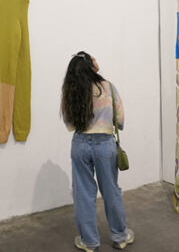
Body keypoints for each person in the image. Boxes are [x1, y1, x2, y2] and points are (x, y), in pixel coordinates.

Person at [61, 51, 134, 251]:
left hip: (80, 144)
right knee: (111, 191)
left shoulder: (72, 90)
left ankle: (90, 242)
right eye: (93, 58)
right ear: (90, 65)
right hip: (105, 145)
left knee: (83, 194)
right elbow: (119, 119)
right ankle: (120, 236)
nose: (96, 60)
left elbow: (69, 123)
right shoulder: (108, 87)